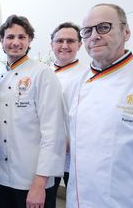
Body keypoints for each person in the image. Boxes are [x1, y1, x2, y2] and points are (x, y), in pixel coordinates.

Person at [65, 3, 133, 207]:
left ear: (126, 32)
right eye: (87, 31)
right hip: (79, 198)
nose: (94, 36)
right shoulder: (77, 84)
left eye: (104, 27)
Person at [0, 15, 65, 208]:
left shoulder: (42, 73)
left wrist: (40, 183)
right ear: (2, 41)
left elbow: (53, 132)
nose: (15, 42)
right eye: (10, 37)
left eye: (22, 37)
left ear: (29, 40)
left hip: (31, 179)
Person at [49, 22, 87, 203]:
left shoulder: (87, 75)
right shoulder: (44, 73)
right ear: (52, 45)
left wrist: (68, 138)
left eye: (71, 41)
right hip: (47, 151)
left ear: (79, 45)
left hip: (73, 153)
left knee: (75, 199)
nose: (65, 45)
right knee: (46, 198)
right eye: (60, 41)